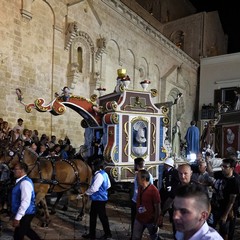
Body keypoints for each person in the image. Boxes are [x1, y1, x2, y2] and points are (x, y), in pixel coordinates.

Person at [210, 158, 240, 240]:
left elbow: (231, 201)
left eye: (225, 166)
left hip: (227, 209)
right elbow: (210, 173)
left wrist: (225, 215)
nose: (222, 168)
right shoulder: (220, 174)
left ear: (232, 168)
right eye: (222, 166)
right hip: (215, 207)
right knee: (210, 227)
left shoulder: (235, 181)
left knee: (225, 231)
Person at [82, 158, 112, 240]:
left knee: (102, 217)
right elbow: (108, 185)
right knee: (93, 216)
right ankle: (92, 234)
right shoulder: (104, 173)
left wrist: (85, 193)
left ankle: (107, 234)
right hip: (100, 198)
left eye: (92, 166)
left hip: (99, 199)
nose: (91, 167)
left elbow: (94, 188)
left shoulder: (98, 175)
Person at [11, 162, 41, 240]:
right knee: (26, 231)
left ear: (22, 170)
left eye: (15, 169)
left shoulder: (24, 183)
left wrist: (17, 218)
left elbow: (25, 201)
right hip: (25, 213)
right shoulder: (22, 181)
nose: (13, 171)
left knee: (18, 236)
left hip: (25, 213)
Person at [132, 169, 161, 240]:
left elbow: (157, 207)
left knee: (154, 237)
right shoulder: (140, 188)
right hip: (139, 219)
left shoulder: (154, 191)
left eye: (137, 178)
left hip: (150, 221)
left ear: (143, 179)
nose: (136, 179)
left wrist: (156, 223)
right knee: (135, 237)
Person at [130, 157, 153, 240]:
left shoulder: (138, 175)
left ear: (136, 165)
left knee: (137, 220)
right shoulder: (149, 174)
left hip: (138, 201)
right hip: (141, 201)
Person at [160, 158, 179, 224]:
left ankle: (172, 220)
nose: (164, 166)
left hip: (171, 193)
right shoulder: (165, 172)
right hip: (165, 192)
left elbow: (177, 182)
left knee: (171, 208)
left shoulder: (175, 172)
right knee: (163, 206)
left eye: (166, 164)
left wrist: (172, 187)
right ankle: (160, 221)